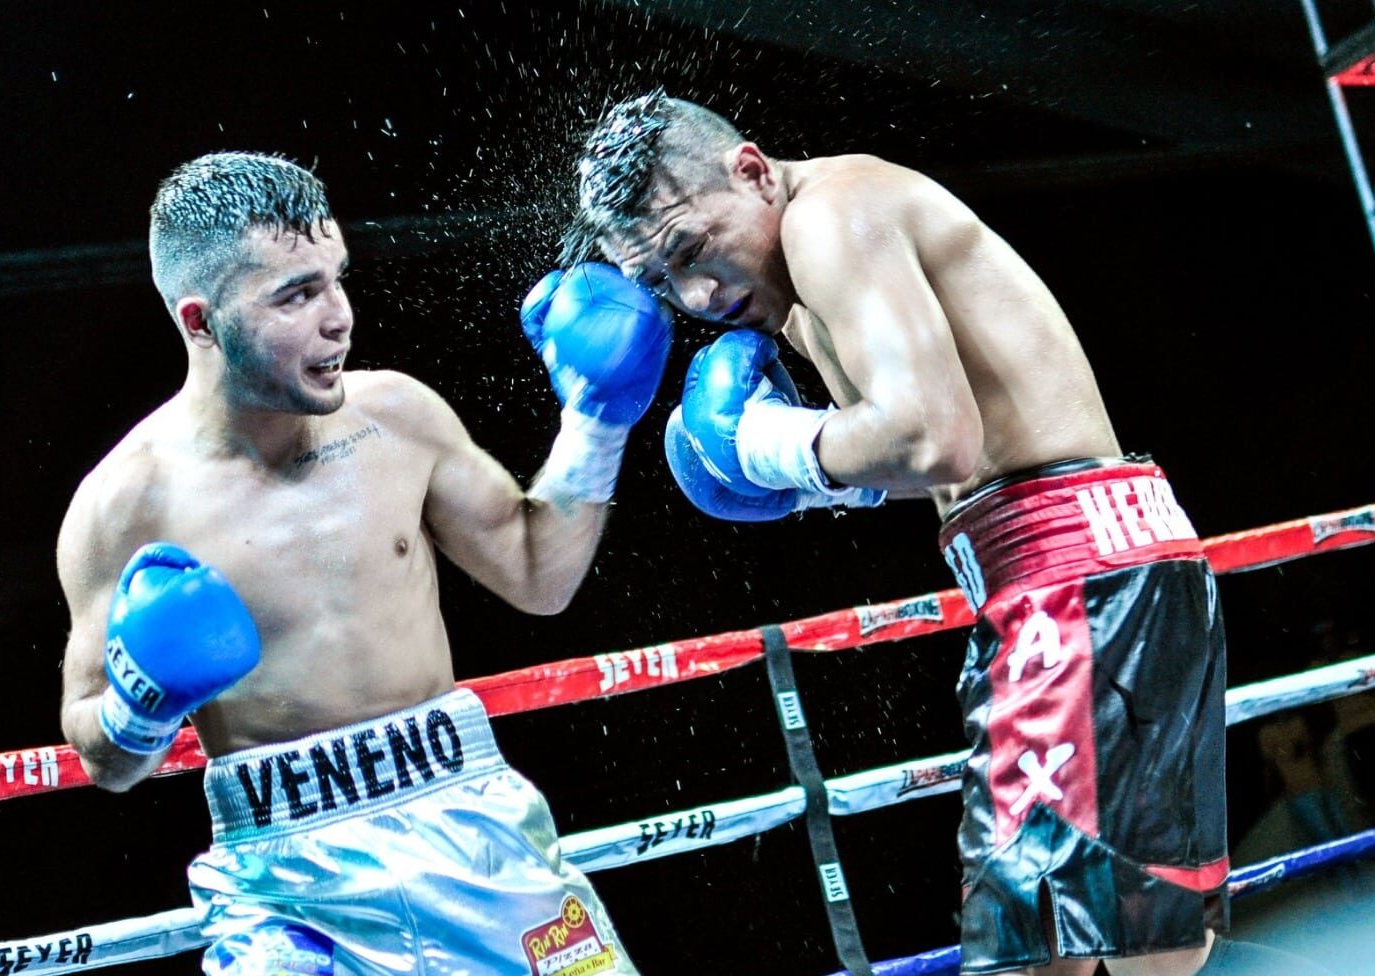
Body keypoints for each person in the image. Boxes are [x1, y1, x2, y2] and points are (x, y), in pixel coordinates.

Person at [557, 90, 1335, 976]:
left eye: (694, 250)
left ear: (753, 170)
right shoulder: (807, 277)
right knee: (1149, 953)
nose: (698, 295)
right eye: (662, 284)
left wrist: (765, 445)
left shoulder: (830, 221)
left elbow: (933, 437)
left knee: (1030, 956)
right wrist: (808, 481)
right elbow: (924, 457)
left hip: (1070, 580)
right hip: (1098, 566)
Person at [56, 151, 670, 976]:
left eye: (337, 278)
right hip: (284, 888)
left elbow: (538, 574)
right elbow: (102, 754)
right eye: (296, 295)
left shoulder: (396, 417)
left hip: (471, 832)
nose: (339, 317)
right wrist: (140, 704)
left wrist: (595, 425)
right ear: (200, 323)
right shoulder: (125, 505)